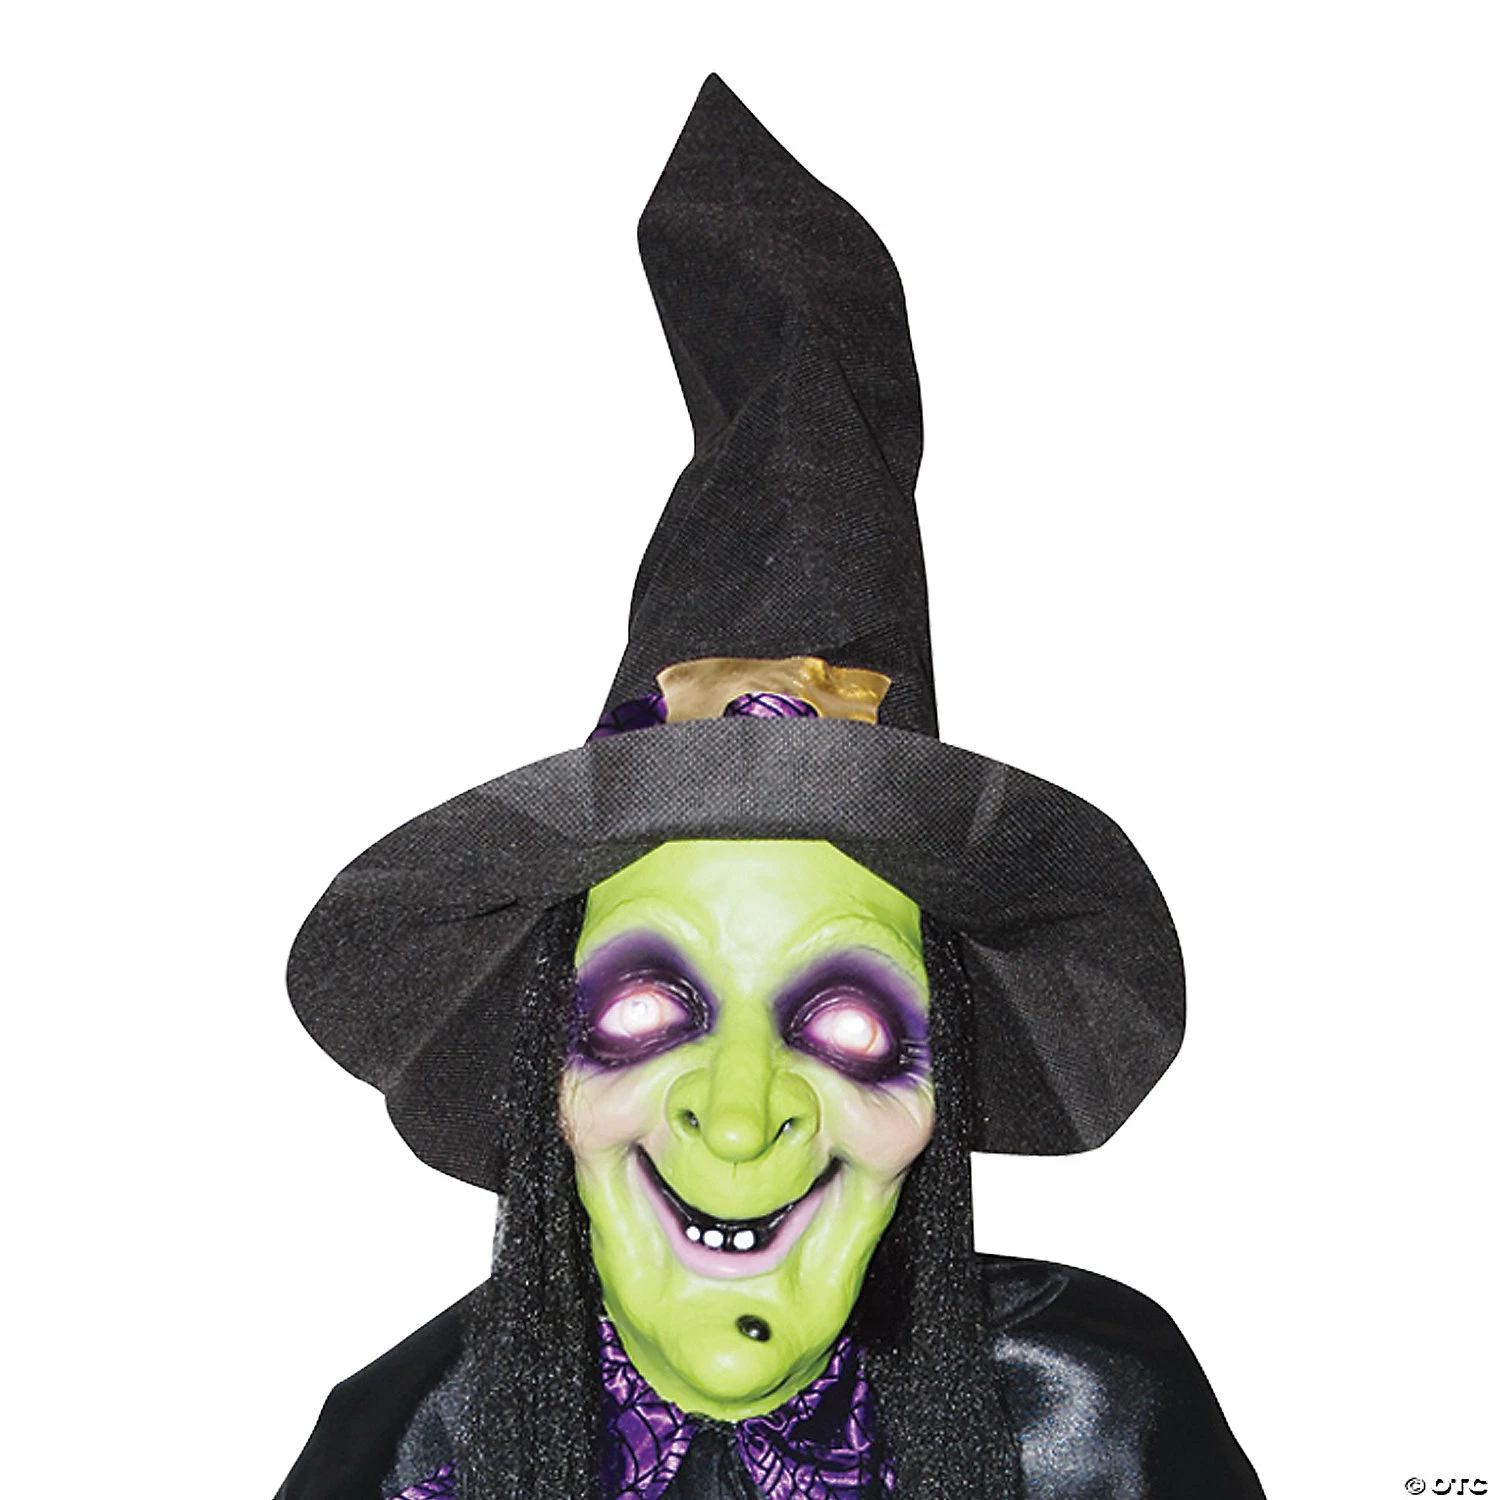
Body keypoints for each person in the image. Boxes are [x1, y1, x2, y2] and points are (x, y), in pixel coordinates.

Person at [276, 76, 1263, 1500]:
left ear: (944, 1070)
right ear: (550, 1062)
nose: (739, 1120)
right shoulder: (412, 1448)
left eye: (851, 1023)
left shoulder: (1095, 1427)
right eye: (641, 1010)